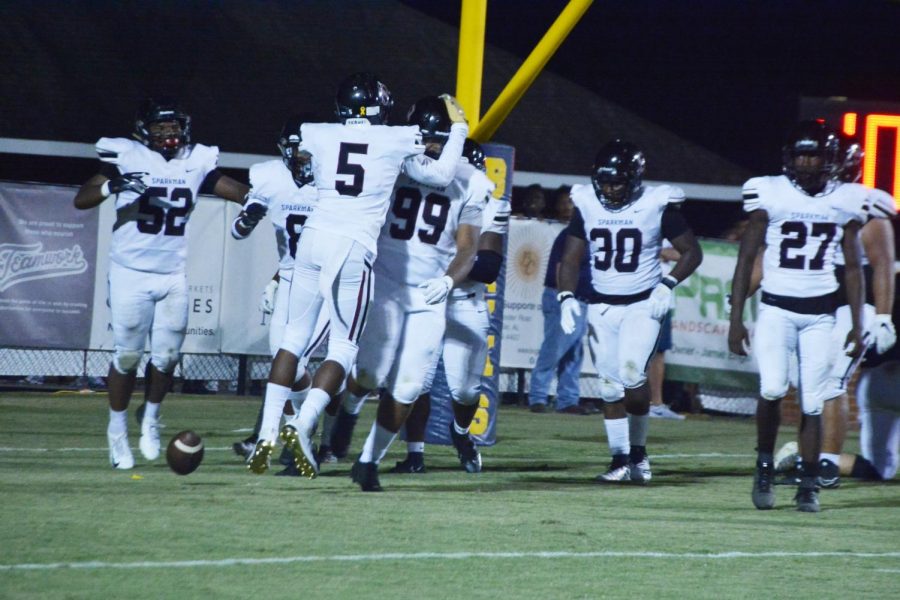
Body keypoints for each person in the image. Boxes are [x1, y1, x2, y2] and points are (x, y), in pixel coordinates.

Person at [247, 75, 468, 478]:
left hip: (313, 237)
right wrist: (460, 129)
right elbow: (440, 175)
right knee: (343, 346)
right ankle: (302, 421)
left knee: (292, 340)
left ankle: (266, 432)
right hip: (352, 246)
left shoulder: (316, 132)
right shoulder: (397, 138)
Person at [73, 96, 249, 469]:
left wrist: (256, 200)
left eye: (174, 126)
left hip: (171, 273)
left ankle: (150, 419)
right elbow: (82, 199)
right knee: (127, 356)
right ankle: (116, 431)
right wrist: (111, 186)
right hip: (130, 273)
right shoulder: (126, 155)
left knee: (167, 358)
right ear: (144, 130)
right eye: (161, 127)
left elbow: (229, 187)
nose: (169, 133)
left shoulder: (196, 160)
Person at [333, 97, 482, 491]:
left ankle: (368, 462)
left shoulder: (471, 179)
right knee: (370, 373)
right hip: (384, 280)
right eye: (426, 138)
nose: (431, 147)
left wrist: (449, 281)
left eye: (439, 139)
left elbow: (468, 246)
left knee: (410, 385)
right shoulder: (394, 159)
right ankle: (348, 410)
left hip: (430, 292)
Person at [728, 120, 868, 513]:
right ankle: (764, 465)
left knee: (813, 401)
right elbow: (745, 259)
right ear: (790, 159)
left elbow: (854, 268)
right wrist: (736, 317)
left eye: (815, 155)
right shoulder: (769, 191)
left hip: (822, 315)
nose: (808, 163)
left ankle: (809, 483)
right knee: (772, 389)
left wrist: (858, 325)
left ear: (830, 160)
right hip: (776, 310)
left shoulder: (844, 199)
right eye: (802, 155)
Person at [557, 139, 703, 484]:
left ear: (634, 179)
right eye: (605, 181)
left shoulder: (657, 204)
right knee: (608, 387)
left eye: (617, 182)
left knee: (632, 374)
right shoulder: (588, 204)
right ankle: (620, 459)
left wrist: (666, 285)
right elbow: (571, 257)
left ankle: (638, 452)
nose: (610, 189)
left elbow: (691, 252)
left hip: (641, 303)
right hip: (602, 306)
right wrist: (565, 296)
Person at [387, 138, 510, 475]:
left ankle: (461, 433)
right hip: (423, 299)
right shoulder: (423, 196)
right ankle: (415, 454)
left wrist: (447, 274)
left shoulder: (489, 204)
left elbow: (486, 267)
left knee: (465, 390)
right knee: (415, 383)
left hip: (463, 301)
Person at [229, 116, 328, 468]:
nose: (302, 157)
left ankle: (279, 434)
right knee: (284, 365)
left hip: (328, 282)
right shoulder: (270, 178)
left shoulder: (336, 180)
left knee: (295, 360)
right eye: (296, 151)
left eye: (307, 152)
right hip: (290, 279)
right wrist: (247, 216)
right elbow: (238, 232)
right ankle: (299, 432)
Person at [812, 133, 896, 488]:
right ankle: (814, 460)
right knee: (819, 382)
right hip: (821, 301)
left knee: (831, 380)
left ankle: (820, 463)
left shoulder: (868, 206)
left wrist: (883, 316)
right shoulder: (805, 200)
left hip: (855, 304)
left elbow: (882, 264)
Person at [528, 188, 593, 415]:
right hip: (564, 297)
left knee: (573, 352)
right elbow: (560, 267)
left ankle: (567, 399)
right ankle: (537, 396)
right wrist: (565, 298)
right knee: (554, 348)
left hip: (580, 300)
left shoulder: (588, 235)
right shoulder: (570, 235)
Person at [648, 242, 685, 420]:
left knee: (659, 352)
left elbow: (680, 253)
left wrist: (660, 251)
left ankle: (656, 404)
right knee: (638, 350)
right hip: (641, 296)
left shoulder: (668, 225)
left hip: (663, 300)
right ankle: (630, 401)